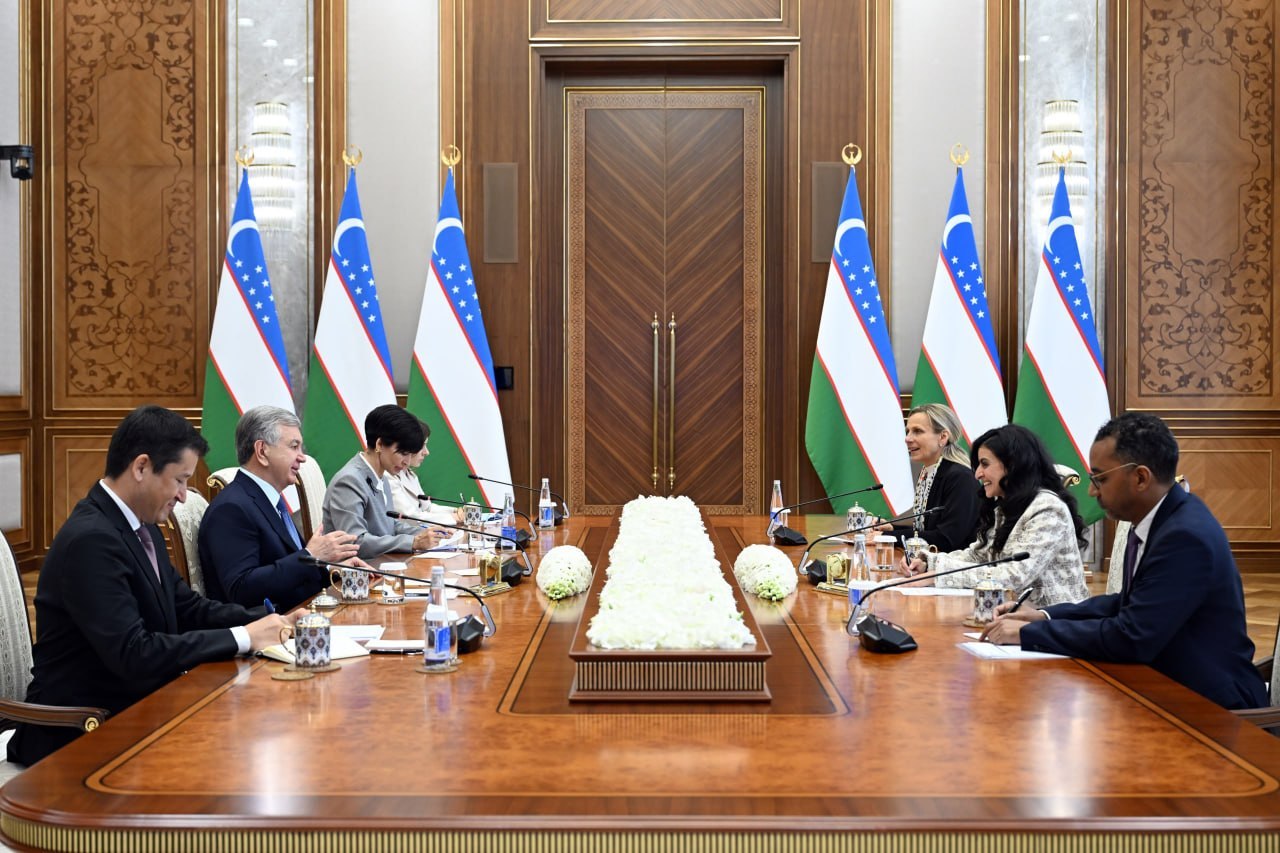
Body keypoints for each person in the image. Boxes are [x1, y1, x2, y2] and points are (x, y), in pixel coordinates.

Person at [7, 406, 297, 767]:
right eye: (180, 480)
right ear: (141, 467)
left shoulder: (140, 525)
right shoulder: (91, 540)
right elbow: (135, 653)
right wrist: (245, 637)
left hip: (137, 710)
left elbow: (187, 608)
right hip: (80, 734)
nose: (183, 495)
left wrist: (271, 621)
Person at [982, 413, 1267, 711]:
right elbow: (1127, 603)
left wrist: (1027, 634)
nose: (1092, 491)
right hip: (1165, 686)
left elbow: (1133, 636)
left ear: (1141, 478)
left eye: (1100, 479)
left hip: (1210, 706)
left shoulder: (1185, 536)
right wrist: (1043, 616)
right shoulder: (1161, 519)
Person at [901, 423, 1089, 608]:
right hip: (1011, 615)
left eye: (984, 464)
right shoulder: (1006, 506)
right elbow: (978, 555)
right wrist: (928, 562)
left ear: (1012, 465)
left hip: (1055, 620)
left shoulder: (1047, 508)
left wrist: (939, 575)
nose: (977, 474)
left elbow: (1015, 576)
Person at [199, 406, 368, 611]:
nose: (302, 457)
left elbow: (289, 569)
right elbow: (241, 588)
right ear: (262, 451)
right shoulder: (231, 508)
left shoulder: (269, 501)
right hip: (274, 626)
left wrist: (332, 570)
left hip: (302, 614)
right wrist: (311, 556)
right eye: (294, 446)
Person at [322, 404, 448, 558]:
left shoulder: (381, 475)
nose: (407, 462)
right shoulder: (349, 481)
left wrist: (430, 533)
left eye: (410, 454)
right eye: (403, 453)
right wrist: (413, 542)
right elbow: (354, 542)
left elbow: (390, 525)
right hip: (357, 569)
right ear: (380, 444)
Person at [883, 403, 981, 551]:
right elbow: (927, 531)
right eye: (908, 431)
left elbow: (946, 538)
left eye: (917, 431)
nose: (907, 438)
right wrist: (892, 528)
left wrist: (888, 537)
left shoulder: (960, 478)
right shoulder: (929, 472)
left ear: (943, 437)